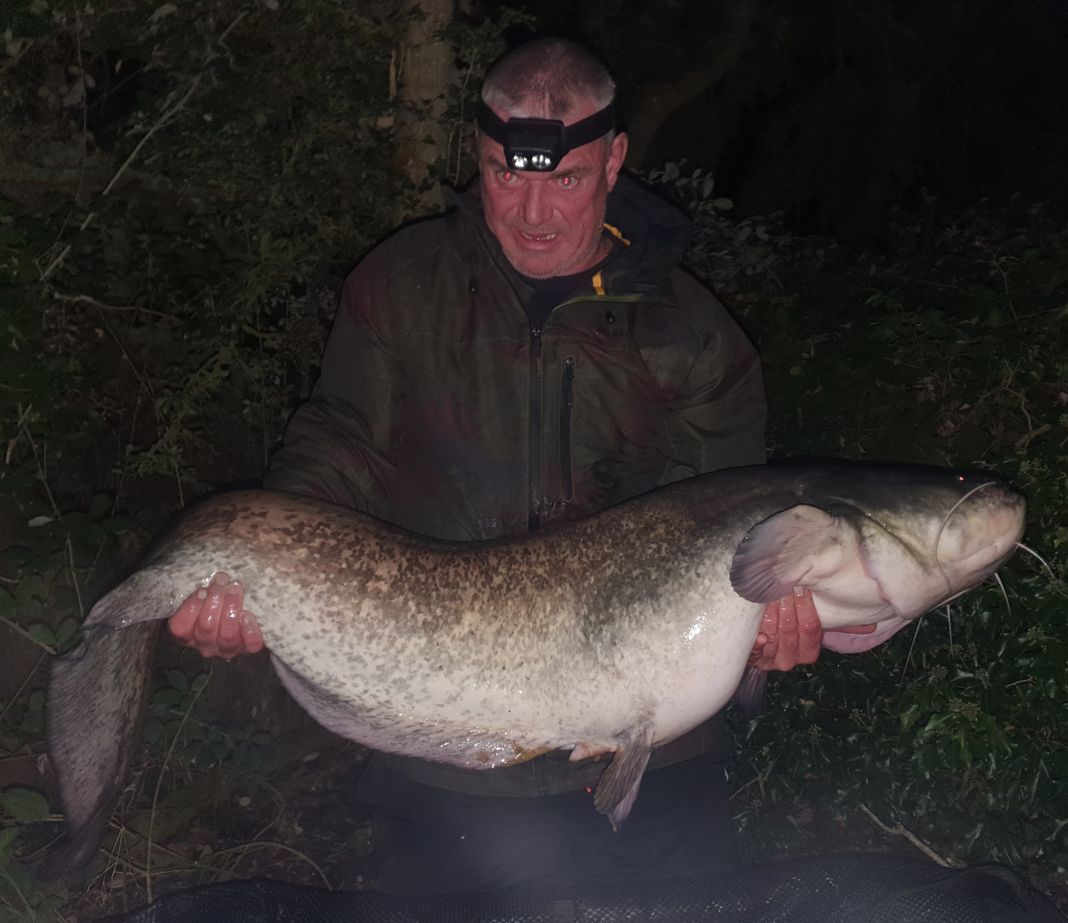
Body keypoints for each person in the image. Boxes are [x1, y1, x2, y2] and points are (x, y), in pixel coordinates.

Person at [168, 37, 873, 894]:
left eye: (566, 179)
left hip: (651, 752)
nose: (534, 211)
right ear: (480, 155)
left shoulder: (695, 338)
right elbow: (339, 448)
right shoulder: (400, 286)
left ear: (613, 159)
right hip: (444, 742)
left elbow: (737, 539)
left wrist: (765, 633)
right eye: (507, 174)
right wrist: (262, 573)